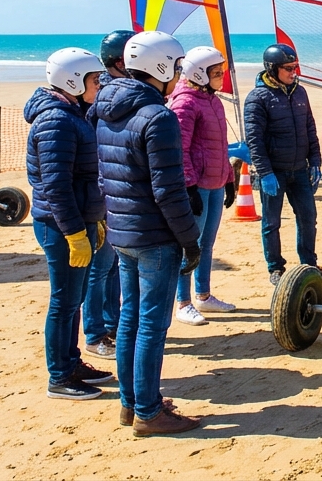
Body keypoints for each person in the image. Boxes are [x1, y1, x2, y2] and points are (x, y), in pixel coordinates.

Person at [94, 30, 202, 436]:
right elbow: (168, 191)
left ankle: (130, 402)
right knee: (152, 326)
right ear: (159, 67)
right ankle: (148, 411)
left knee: (130, 320)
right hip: (156, 236)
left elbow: (107, 175)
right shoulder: (158, 117)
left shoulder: (105, 109)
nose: (177, 75)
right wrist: (190, 239)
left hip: (123, 231)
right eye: (174, 67)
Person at [25, 47, 114, 400]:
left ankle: (72, 362)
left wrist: (94, 218)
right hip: (60, 224)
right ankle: (59, 376)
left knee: (73, 299)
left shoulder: (73, 111)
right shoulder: (56, 120)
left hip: (78, 219)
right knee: (63, 301)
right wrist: (75, 232)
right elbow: (56, 185)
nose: (100, 84)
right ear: (73, 81)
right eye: (95, 80)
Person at [243, 43, 322, 285]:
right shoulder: (257, 98)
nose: (294, 72)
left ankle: (308, 265)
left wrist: (315, 161)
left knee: (308, 218)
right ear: (272, 69)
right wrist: (265, 173)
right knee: (271, 222)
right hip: (274, 172)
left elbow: (309, 128)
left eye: (295, 67)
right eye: (288, 68)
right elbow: (254, 140)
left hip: (300, 171)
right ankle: (275, 268)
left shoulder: (300, 92)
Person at [169, 46, 238, 325]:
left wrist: (230, 179)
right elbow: (180, 150)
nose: (221, 76)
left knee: (206, 244)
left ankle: (204, 295)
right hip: (197, 186)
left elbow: (220, 146)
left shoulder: (214, 100)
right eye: (216, 72)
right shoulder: (184, 103)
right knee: (189, 246)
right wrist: (188, 187)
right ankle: (183, 302)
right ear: (199, 73)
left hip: (216, 183)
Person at [82, 29, 135, 359]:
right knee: (99, 268)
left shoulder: (117, 93)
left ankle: (112, 325)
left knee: (114, 266)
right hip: (101, 196)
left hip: (116, 198)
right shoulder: (103, 98)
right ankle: (95, 332)